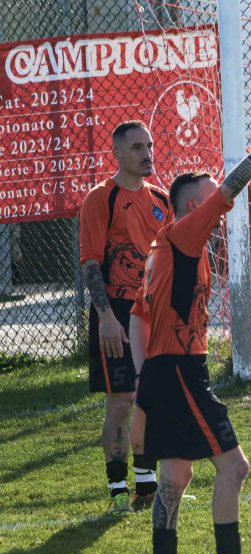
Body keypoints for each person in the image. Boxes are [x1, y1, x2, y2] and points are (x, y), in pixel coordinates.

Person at [128, 102, 251, 554]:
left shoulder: (163, 248)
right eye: (210, 200)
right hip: (181, 372)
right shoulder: (183, 236)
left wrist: (143, 377)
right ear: (192, 208)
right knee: (234, 467)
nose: (222, 206)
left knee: (176, 476)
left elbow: (138, 316)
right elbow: (230, 188)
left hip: (166, 371)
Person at [79, 120, 172, 513]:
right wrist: (106, 318)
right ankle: (118, 492)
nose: (147, 153)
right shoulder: (101, 198)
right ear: (116, 153)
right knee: (121, 402)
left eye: (149, 145)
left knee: (151, 398)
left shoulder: (162, 199)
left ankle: (146, 488)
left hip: (154, 312)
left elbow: (169, 258)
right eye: (137, 147)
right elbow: (90, 263)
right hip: (116, 311)